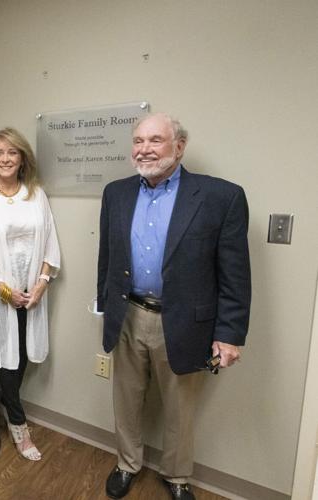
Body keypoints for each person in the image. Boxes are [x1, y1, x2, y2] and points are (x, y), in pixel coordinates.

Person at [97, 113, 251, 500]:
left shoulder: (221, 197)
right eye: (137, 141)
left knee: (180, 410)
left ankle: (177, 475)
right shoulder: (116, 193)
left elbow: (235, 274)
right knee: (126, 400)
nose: (144, 149)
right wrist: (104, 306)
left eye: (155, 140)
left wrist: (229, 335)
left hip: (183, 322)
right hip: (129, 315)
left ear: (179, 147)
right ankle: (127, 463)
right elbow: (108, 257)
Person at [0, 127, 60, 461]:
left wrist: (42, 282)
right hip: (0, 293)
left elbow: (50, 240)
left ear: (22, 159)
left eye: (12, 152)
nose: (6, 158)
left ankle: (2, 405)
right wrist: (4, 290)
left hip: (32, 292)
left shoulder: (36, 194)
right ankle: (19, 426)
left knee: (20, 358)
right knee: (8, 356)